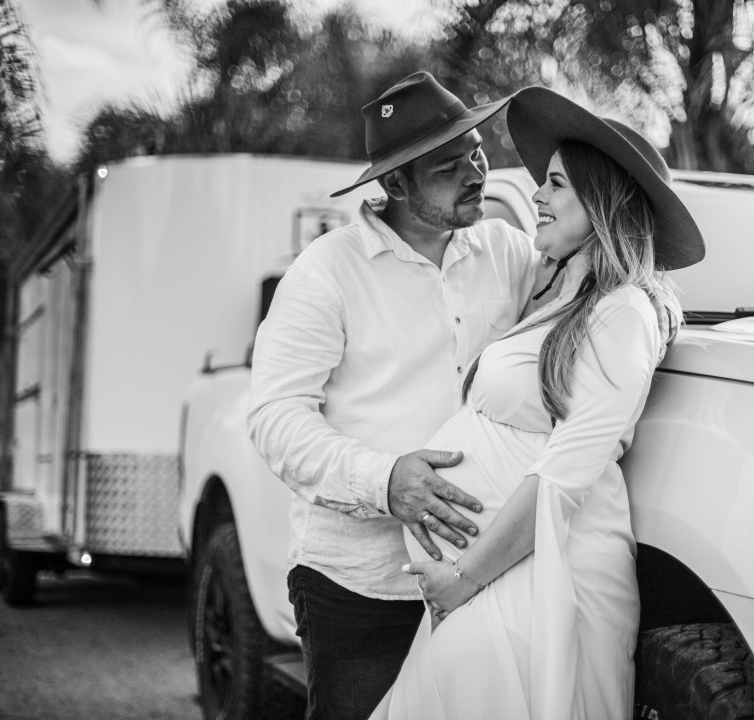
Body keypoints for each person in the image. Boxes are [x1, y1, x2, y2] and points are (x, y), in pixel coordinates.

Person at [369, 86, 706, 720]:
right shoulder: (562, 303)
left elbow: (563, 476)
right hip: (501, 578)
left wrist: (463, 578)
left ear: (601, 202)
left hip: (543, 580)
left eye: (555, 184)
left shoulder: (625, 313)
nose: (537, 196)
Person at [248, 72, 545, 720]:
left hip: (483, 574)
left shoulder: (510, 253)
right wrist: (386, 483)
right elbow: (274, 418)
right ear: (397, 185)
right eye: (448, 166)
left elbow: (587, 300)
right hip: (360, 589)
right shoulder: (325, 272)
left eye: (475, 152)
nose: (476, 172)